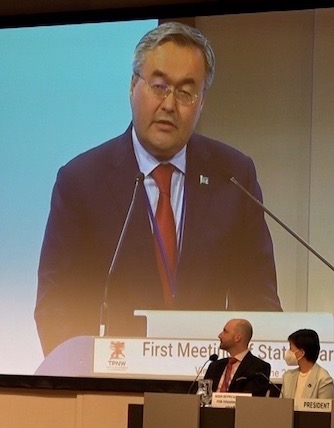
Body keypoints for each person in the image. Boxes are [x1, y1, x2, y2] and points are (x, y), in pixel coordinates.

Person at [34, 22, 281, 356]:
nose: (169, 104)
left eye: (185, 92)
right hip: (112, 390)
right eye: (159, 86)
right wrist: (88, 380)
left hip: (206, 386)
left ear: (202, 102)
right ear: (133, 86)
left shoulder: (234, 176)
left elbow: (259, 301)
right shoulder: (81, 182)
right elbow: (57, 307)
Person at [203, 319, 270, 396]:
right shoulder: (215, 366)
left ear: (237, 338)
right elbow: (201, 396)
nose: (220, 335)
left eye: (225, 331)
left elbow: (250, 401)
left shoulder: (258, 368)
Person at [279, 329, 334, 399]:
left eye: (291, 348)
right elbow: (281, 406)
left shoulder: (323, 379)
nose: (288, 352)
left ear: (302, 352)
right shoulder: (288, 376)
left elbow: (324, 409)